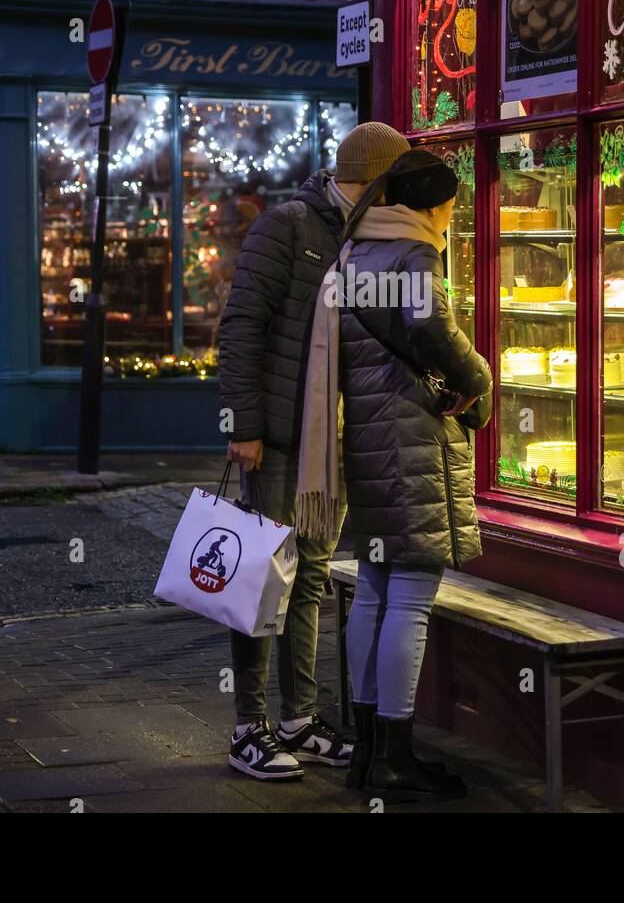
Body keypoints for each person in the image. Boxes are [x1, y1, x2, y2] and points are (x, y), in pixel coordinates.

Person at [295, 149, 492, 801]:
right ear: (433, 205)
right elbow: (429, 325)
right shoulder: (415, 254)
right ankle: (396, 758)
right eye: (451, 207)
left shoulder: (354, 254)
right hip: (411, 446)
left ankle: (370, 752)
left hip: (367, 447)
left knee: (375, 593)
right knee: (409, 599)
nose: (452, 219)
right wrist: (480, 377)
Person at [217, 122, 407, 781]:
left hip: (333, 445)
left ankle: (297, 717)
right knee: (261, 581)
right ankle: (249, 728)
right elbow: (241, 325)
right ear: (372, 180)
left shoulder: (371, 236)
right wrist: (244, 425)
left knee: (311, 581)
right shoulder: (290, 226)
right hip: (278, 441)